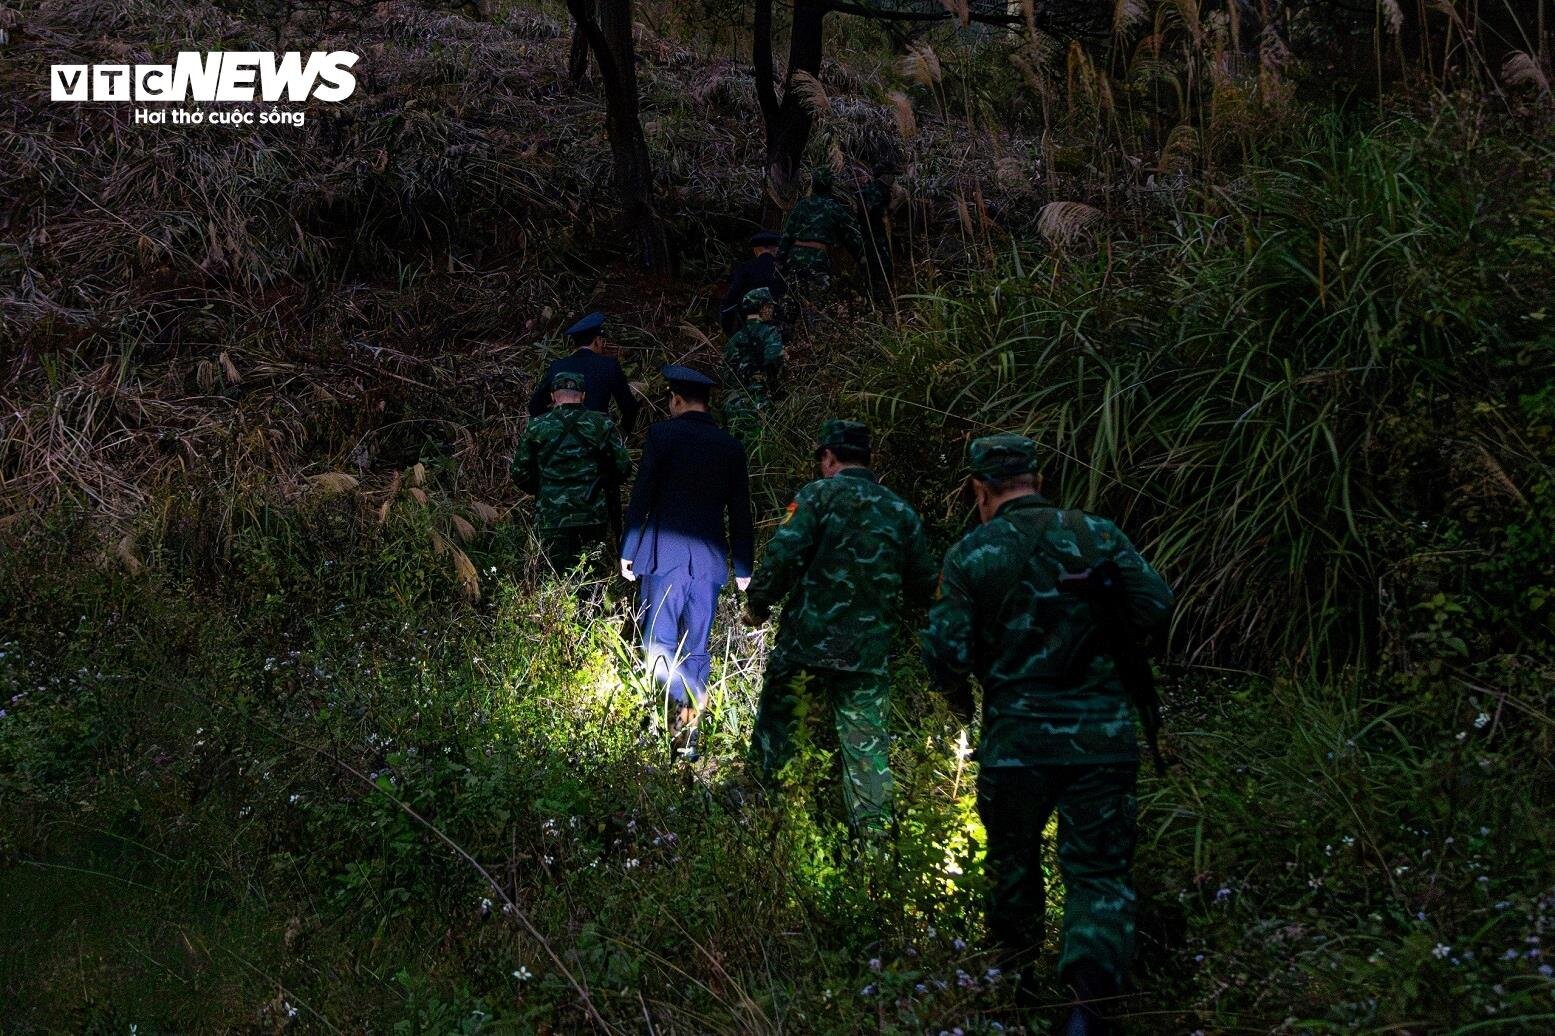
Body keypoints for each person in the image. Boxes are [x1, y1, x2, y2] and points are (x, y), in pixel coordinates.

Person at [920, 435, 1174, 1035]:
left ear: (981, 489)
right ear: (1036, 478)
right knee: (1097, 871)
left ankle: (1013, 983)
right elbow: (1156, 606)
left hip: (1017, 744)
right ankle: (1088, 1007)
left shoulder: (971, 555)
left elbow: (945, 656)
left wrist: (965, 694)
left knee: (1013, 862)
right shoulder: (1099, 535)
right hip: (1102, 740)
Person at [743, 420, 936, 836]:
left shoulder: (816, 497)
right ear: (871, 461)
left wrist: (758, 603)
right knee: (866, 753)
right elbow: (924, 586)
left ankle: (762, 833)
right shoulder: (900, 511)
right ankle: (875, 847)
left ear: (828, 458)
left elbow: (783, 556)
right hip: (866, 655)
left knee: (780, 739)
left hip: (805, 647)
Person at [620, 365, 755, 759]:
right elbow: (740, 511)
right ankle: (686, 738)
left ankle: (660, 718)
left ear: (676, 400)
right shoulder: (731, 447)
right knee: (696, 650)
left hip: (665, 556)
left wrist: (628, 548)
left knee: (658, 642)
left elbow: (642, 495)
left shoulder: (662, 435)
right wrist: (744, 565)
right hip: (710, 563)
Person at [511, 370, 632, 574]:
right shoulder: (601, 424)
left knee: (555, 575)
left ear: (552, 396)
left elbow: (519, 473)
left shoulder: (537, 426)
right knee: (591, 574)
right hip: (592, 513)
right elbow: (623, 468)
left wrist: (544, 490)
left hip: (552, 514)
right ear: (583, 395)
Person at [527, 311, 642, 435]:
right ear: (597, 340)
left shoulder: (558, 366)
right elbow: (629, 407)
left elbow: (535, 406)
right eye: (601, 341)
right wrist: (623, 432)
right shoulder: (608, 365)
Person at [721, 287, 785, 446]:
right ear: (762, 307)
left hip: (735, 402)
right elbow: (775, 361)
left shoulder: (734, 339)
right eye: (769, 306)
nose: (771, 310)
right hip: (762, 399)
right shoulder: (770, 332)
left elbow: (725, 373)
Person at [778, 168, 863, 289]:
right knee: (818, 298)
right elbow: (850, 234)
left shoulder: (802, 204)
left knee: (795, 293)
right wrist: (860, 256)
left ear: (813, 185)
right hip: (817, 258)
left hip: (795, 256)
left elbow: (787, 233)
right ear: (830, 186)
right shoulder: (833, 207)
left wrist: (779, 258)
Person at [719, 230, 787, 335]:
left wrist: (727, 328)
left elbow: (731, 299)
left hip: (748, 326)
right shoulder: (784, 271)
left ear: (755, 250)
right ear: (775, 248)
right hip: (777, 326)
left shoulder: (744, 268)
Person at [856, 159, 899, 298]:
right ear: (885, 175)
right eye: (892, 175)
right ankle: (879, 296)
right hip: (875, 234)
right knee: (882, 264)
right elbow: (880, 213)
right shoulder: (878, 190)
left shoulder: (872, 188)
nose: (894, 178)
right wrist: (896, 203)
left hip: (867, 234)